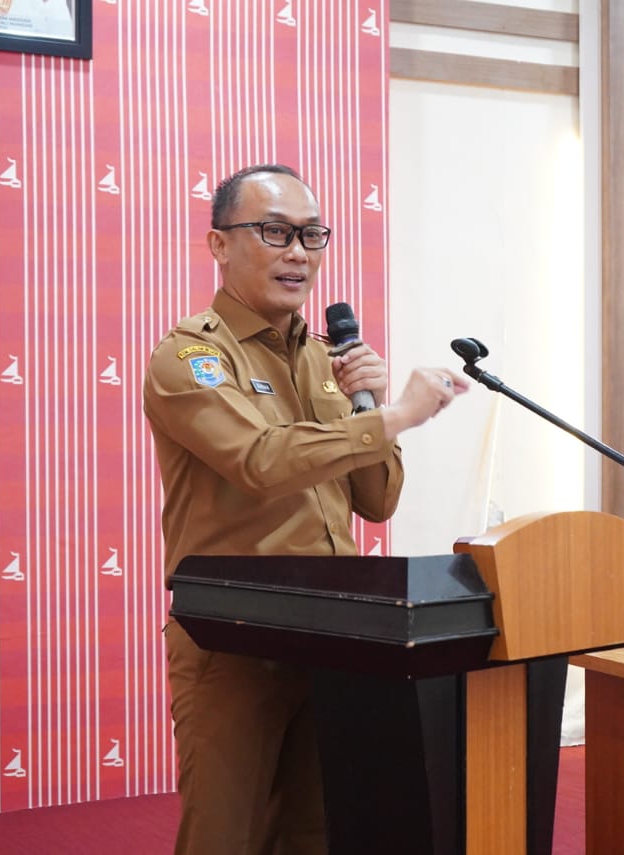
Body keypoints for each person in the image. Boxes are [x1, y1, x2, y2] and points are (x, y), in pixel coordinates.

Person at [142, 163, 469, 855]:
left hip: (333, 633)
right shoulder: (192, 356)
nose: (298, 253)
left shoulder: (327, 360)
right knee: (226, 835)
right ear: (219, 244)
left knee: (319, 829)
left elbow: (376, 501)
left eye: (311, 235)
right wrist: (395, 418)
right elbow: (260, 461)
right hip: (234, 637)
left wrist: (371, 406)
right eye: (275, 232)